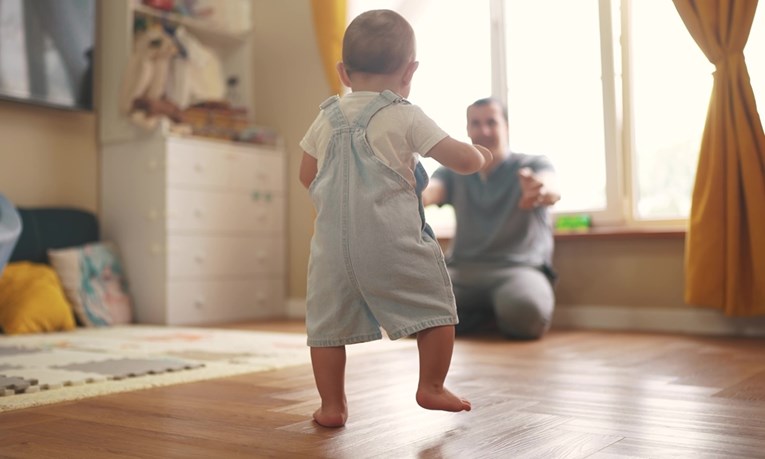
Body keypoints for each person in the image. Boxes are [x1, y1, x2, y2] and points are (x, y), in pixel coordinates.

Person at [298, 10, 492, 427]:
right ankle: (432, 386)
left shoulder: (325, 117)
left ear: (343, 72)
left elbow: (306, 176)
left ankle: (332, 406)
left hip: (331, 252)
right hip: (391, 244)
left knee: (327, 329)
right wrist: (480, 155)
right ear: (410, 71)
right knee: (438, 308)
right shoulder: (405, 114)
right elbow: (459, 159)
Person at [422, 97, 561, 340]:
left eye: (491, 122)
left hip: (518, 269)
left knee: (526, 315)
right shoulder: (453, 172)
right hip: (462, 271)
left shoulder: (533, 164)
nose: (483, 130)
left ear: (505, 127)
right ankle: (489, 317)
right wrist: (411, 191)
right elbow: (431, 191)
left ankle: (478, 317)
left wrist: (538, 191)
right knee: (418, 312)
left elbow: (551, 189)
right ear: (467, 130)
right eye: (475, 123)